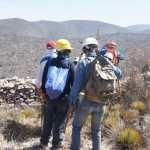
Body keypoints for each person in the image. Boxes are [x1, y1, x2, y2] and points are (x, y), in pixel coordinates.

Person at [69, 37, 122, 150]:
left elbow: (77, 85)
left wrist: (72, 100)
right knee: (96, 130)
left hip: (87, 101)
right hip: (102, 102)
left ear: (85, 49)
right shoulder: (105, 61)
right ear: (96, 48)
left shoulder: (84, 62)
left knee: (77, 127)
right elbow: (119, 74)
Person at [36, 39, 74, 150]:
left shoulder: (49, 62)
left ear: (58, 51)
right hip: (63, 100)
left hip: (49, 98)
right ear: (67, 51)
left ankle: (43, 144)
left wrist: (45, 94)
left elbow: (44, 80)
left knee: (47, 121)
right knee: (58, 125)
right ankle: (55, 146)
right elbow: (74, 84)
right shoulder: (70, 66)